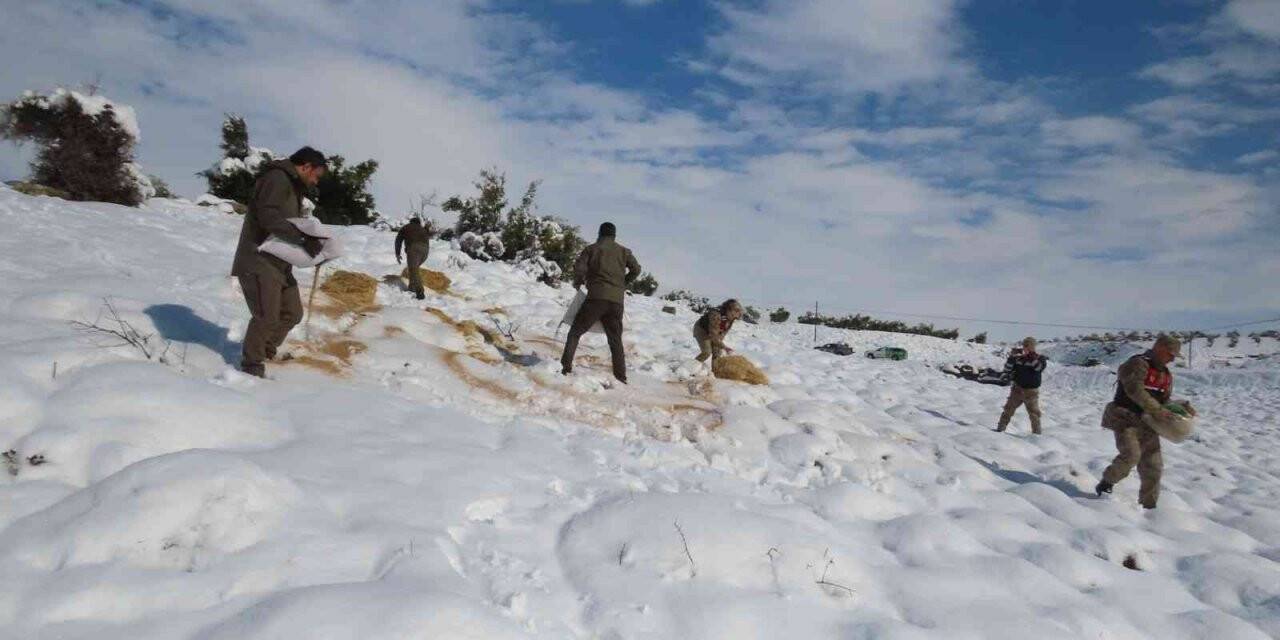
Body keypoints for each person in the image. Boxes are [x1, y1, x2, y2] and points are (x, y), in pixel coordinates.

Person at [230, 147, 328, 378]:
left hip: (279, 262)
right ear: (306, 166)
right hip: (258, 260)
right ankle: (251, 365)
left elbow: (285, 223)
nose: (315, 181)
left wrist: (312, 244)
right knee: (266, 316)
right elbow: (268, 216)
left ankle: (264, 349)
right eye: (316, 175)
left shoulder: (292, 186)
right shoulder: (277, 178)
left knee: (292, 313)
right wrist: (301, 237)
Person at [1095, 334, 1196, 509]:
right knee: (1131, 455)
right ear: (1160, 348)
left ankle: (1149, 508)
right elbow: (1135, 390)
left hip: (1148, 423)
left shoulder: (1165, 374)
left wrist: (1182, 407)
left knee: (1154, 466)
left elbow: (1163, 400)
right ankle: (1106, 484)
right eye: (1171, 354)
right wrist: (1158, 410)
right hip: (1125, 419)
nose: (1172, 359)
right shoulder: (1137, 364)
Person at [561, 222, 641, 384]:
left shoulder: (591, 249)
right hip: (617, 302)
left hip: (596, 298)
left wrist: (578, 282)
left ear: (599, 234)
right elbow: (637, 269)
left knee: (575, 332)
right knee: (615, 340)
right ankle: (621, 378)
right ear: (614, 235)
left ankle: (565, 368)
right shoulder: (624, 251)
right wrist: (623, 283)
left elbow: (580, 269)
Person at [995, 337, 1048, 434]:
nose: (1025, 348)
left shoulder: (1040, 358)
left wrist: (1031, 357)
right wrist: (1011, 358)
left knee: (1034, 414)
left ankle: (1037, 435)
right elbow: (1007, 370)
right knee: (1008, 410)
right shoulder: (1019, 358)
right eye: (1024, 345)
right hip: (1017, 389)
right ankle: (1000, 429)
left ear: (1033, 347)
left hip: (1031, 392)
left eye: (1028, 346)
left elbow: (1038, 368)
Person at [694, 299, 744, 364]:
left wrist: (720, 345)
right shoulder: (716, 315)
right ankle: (691, 367)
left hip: (714, 333)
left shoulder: (730, 319)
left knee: (717, 352)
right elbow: (713, 335)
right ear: (728, 310)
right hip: (702, 331)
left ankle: (715, 371)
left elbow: (722, 334)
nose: (733, 318)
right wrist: (725, 347)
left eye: (735, 317)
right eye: (732, 315)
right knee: (707, 352)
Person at [395, 217, 432, 299]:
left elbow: (398, 240)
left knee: (413, 269)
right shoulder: (422, 229)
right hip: (425, 251)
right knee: (414, 269)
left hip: (414, 248)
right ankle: (412, 288)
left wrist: (398, 253)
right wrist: (427, 227)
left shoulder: (406, 227)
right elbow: (429, 234)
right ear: (419, 223)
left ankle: (420, 291)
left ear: (411, 222)